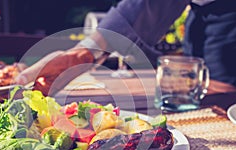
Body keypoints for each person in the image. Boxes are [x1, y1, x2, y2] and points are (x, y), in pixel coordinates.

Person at [15, 0, 236, 96]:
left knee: (220, 95)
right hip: (200, 14)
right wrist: (82, 54)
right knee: (196, 92)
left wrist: (85, 52)